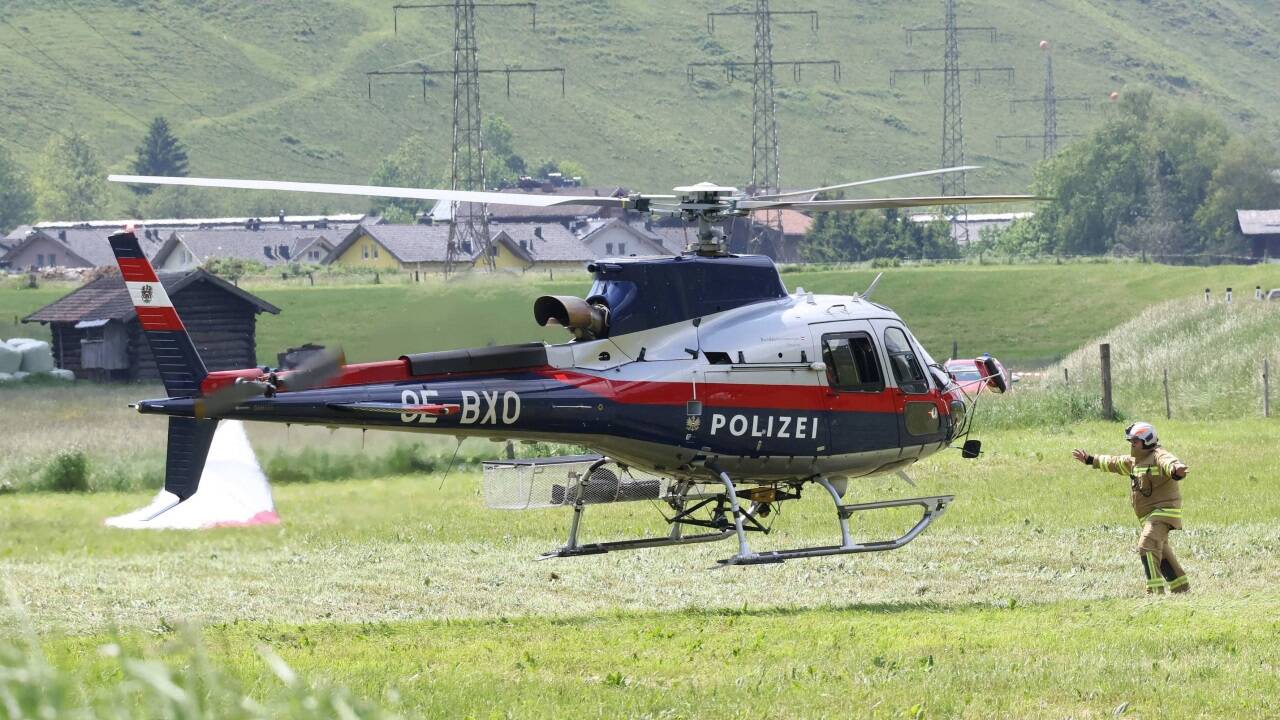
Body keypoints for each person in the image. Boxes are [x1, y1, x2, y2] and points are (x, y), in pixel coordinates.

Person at [1072, 421, 1190, 594]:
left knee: (1147, 545)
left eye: (1135, 441)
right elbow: (1113, 462)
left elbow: (1168, 461)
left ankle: (1155, 592)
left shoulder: (1158, 455)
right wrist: (1090, 459)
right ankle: (1181, 587)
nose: (1132, 444)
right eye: (1131, 441)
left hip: (1163, 512)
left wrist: (1176, 468)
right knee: (1161, 551)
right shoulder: (1135, 461)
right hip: (1150, 515)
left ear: (1147, 441)